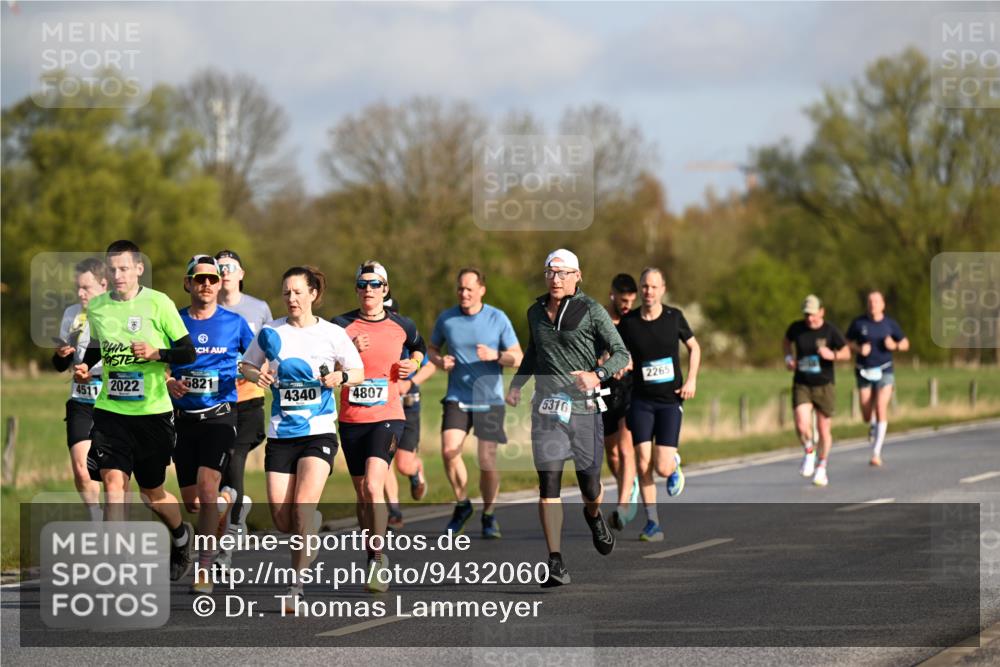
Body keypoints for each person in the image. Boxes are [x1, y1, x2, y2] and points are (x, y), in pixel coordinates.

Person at [240, 266, 364, 609]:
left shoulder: (332, 334)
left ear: (313, 294)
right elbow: (246, 365)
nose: (291, 299)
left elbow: (357, 371)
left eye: (297, 292)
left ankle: (296, 586)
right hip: (281, 434)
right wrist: (257, 374)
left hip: (319, 431)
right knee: (283, 519)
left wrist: (340, 377)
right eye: (286, 293)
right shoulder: (270, 332)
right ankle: (312, 525)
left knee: (301, 508)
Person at [73, 240, 196, 580]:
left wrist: (157, 353)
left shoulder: (159, 303)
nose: (118, 275)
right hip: (111, 411)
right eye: (112, 270)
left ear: (139, 269)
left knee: (152, 494)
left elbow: (188, 353)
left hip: (153, 413)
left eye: (124, 268)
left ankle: (181, 534)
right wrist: (85, 366)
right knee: (113, 483)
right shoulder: (98, 307)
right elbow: (99, 347)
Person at [506, 249, 629, 587]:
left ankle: (593, 515)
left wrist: (597, 374)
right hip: (547, 410)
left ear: (578, 276)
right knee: (548, 485)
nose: (555, 279)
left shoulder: (592, 311)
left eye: (562, 273)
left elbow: (621, 353)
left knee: (590, 485)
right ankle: (555, 561)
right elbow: (534, 352)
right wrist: (517, 385)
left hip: (585, 410)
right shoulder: (535, 312)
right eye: (550, 272)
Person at [333, 261, 426, 592]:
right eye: (362, 285)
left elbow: (420, 348)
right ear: (356, 289)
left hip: (388, 416)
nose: (368, 290)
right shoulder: (340, 326)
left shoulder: (402, 324)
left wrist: (411, 365)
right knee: (362, 493)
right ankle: (371, 550)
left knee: (374, 486)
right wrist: (347, 353)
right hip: (351, 419)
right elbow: (323, 364)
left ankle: (378, 559)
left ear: (385, 289)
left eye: (375, 285)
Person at [166, 256, 255, 593]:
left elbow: (253, 358)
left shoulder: (234, 323)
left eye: (212, 279)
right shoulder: (172, 321)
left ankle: (203, 569)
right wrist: (167, 382)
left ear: (221, 284)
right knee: (192, 502)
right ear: (188, 284)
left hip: (220, 415)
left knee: (206, 490)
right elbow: (157, 363)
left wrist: (258, 372)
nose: (206, 285)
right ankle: (224, 503)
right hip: (181, 418)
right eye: (199, 279)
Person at [429, 268, 522, 538]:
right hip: (457, 397)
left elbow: (518, 357)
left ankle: (490, 514)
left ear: (482, 290)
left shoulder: (497, 318)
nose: (464, 293)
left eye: (469, 288)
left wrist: (496, 355)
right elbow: (432, 349)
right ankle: (463, 503)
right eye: (460, 288)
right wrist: (439, 361)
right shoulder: (447, 319)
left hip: (490, 400)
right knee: (448, 450)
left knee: (487, 461)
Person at [617, 268, 701, 542]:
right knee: (643, 462)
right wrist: (621, 364)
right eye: (644, 287)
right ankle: (652, 522)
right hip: (641, 401)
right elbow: (618, 352)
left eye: (654, 287)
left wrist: (691, 381)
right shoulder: (629, 323)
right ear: (640, 290)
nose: (649, 292)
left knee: (661, 468)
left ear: (663, 289)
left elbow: (695, 348)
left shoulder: (673, 317)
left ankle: (673, 465)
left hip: (669, 401)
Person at [213, 249, 274, 567]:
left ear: (241, 273)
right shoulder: (206, 309)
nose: (224, 271)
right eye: (219, 266)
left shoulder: (258, 308)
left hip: (249, 399)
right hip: (215, 402)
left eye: (230, 267)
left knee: (235, 459)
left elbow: (271, 348)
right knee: (219, 472)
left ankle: (232, 531)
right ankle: (235, 514)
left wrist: (273, 369)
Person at [51, 258, 108, 520]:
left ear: (104, 285)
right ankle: (96, 521)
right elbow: (59, 365)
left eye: (86, 287)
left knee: (111, 473)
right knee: (81, 468)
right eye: (78, 287)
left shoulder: (116, 313)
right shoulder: (72, 314)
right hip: (81, 400)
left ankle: (117, 525)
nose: (80, 293)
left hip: (113, 401)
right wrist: (62, 355)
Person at [783, 294, 850, 487]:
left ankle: (822, 467)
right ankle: (809, 451)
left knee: (823, 429)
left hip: (824, 384)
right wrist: (788, 359)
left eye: (813, 314)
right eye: (806, 314)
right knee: (802, 424)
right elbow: (786, 342)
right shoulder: (796, 328)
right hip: (802, 383)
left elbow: (846, 352)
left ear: (821, 312)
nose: (809, 318)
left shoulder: (830, 331)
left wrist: (833, 354)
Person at [846, 291, 910, 467]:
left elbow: (906, 343)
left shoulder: (890, 324)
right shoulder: (858, 323)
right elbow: (847, 343)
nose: (873, 304)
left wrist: (894, 345)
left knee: (881, 406)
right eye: (870, 301)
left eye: (876, 301)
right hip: (863, 370)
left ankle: (876, 452)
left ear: (883, 304)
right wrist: (859, 349)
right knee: (867, 414)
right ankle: (872, 423)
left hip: (885, 370)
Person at [601, 273, 640, 532]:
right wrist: (603, 362)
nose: (627, 306)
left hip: (630, 389)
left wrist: (631, 361)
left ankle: (623, 506)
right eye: (623, 300)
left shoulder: (635, 322)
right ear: (612, 295)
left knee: (626, 449)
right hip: (604, 390)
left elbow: (643, 352)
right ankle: (630, 483)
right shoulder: (597, 319)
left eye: (631, 301)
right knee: (612, 454)